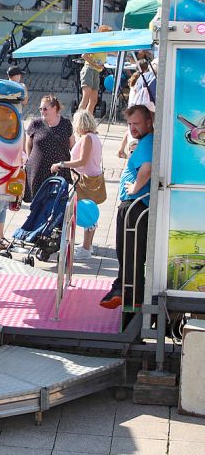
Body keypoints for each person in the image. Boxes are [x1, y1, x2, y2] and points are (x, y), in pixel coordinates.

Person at [102, 104, 153, 310]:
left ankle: (131, 296)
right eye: (130, 124)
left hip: (135, 206)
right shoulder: (144, 141)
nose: (132, 128)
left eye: (137, 124)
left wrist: (134, 188)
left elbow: (147, 168)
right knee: (125, 251)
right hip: (132, 206)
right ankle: (123, 290)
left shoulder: (148, 142)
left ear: (148, 122)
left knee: (131, 253)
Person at [51, 110, 104, 260]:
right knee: (89, 211)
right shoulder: (94, 137)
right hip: (90, 178)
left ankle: (86, 248)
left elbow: (82, 161)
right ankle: (87, 246)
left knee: (86, 212)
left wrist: (62, 164)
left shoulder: (87, 138)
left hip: (86, 180)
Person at [25, 95, 75, 202]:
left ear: (54, 108)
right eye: (40, 109)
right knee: (37, 207)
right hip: (37, 172)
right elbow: (28, 143)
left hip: (59, 172)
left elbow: (73, 146)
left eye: (45, 109)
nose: (42, 111)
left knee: (57, 205)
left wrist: (75, 166)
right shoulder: (36, 123)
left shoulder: (66, 124)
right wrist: (30, 161)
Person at [80, 25, 112, 115]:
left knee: (93, 100)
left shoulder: (105, 46)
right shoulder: (96, 43)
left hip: (96, 72)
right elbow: (84, 55)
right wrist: (96, 65)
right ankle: (78, 121)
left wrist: (127, 56)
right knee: (85, 98)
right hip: (89, 70)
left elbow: (115, 52)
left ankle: (87, 121)